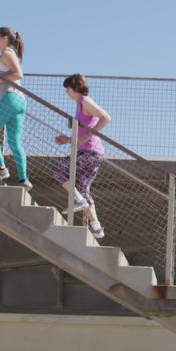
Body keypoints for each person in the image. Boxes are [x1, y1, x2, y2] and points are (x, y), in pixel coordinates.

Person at [51, 74, 109, 239]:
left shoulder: (85, 101)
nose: (67, 93)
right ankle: (96, 226)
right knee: (84, 188)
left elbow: (106, 118)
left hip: (90, 153)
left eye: (68, 89)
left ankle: (77, 199)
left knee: (57, 168)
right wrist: (68, 140)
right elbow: (84, 132)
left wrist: (86, 136)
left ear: (75, 88)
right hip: (91, 153)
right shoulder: (79, 104)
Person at [0, 27, 31, 190]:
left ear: (4, 38)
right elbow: (7, 76)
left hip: (11, 98)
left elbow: (18, 74)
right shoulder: (8, 54)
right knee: (14, 142)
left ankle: (1, 169)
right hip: (20, 101)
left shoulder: (7, 53)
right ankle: (24, 180)